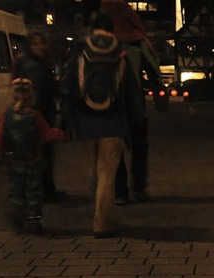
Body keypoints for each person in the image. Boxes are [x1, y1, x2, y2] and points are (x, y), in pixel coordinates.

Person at [60, 11, 143, 238]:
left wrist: (65, 119)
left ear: (91, 27)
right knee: (107, 174)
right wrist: (136, 122)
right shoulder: (119, 50)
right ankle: (102, 223)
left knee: (94, 172)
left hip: (85, 122)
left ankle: (104, 214)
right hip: (113, 122)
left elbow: (68, 84)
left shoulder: (80, 48)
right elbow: (131, 89)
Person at [100, 0, 162, 205]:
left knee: (113, 148)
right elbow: (154, 71)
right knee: (139, 148)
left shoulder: (99, 42)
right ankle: (139, 188)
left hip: (109, 107)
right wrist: (160, 97)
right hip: (134, 106)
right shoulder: (138, 43)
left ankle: (119, 193)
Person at [0, 78, 66, 234]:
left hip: (14, 161)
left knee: (16, 188)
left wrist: (2, 153)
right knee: (33, 191)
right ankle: (33, 221)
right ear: (31, 94)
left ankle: (16, 210)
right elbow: (46, 134)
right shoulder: (35, 114)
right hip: (33, 160)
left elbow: (0, 135)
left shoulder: (5, 113)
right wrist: (60, 134)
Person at [13, 31, 64, 202]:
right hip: (39, 114)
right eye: (36, 44)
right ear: (30, 46)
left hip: (36, 113)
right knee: (42, 153)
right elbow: (38, 92)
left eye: (42, 42)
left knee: (36, 153)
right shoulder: (35, 65)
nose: (41, 46)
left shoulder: (28, 62)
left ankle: (41, 189)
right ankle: (45, 190)